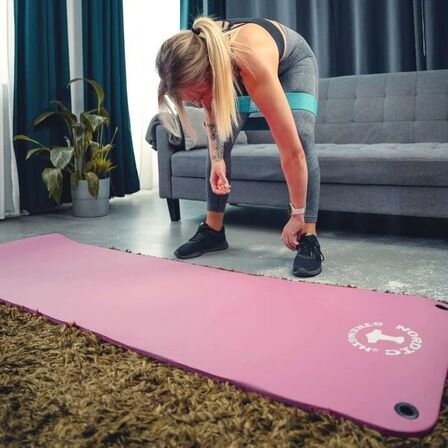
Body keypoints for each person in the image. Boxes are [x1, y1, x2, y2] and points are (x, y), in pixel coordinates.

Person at [155, 16, 325, 277]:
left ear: (211, 70)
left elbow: (292, 152)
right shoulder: (199, 55)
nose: (201, 103)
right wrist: (217, 160)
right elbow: (210, 107)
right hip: (232, 68)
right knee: (220, 141)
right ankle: (213, 231)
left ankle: (308, 236)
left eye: (199, 95)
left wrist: (297, 214)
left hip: (292, 64)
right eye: (194, 100)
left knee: (300, 135)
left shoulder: (249, 57)